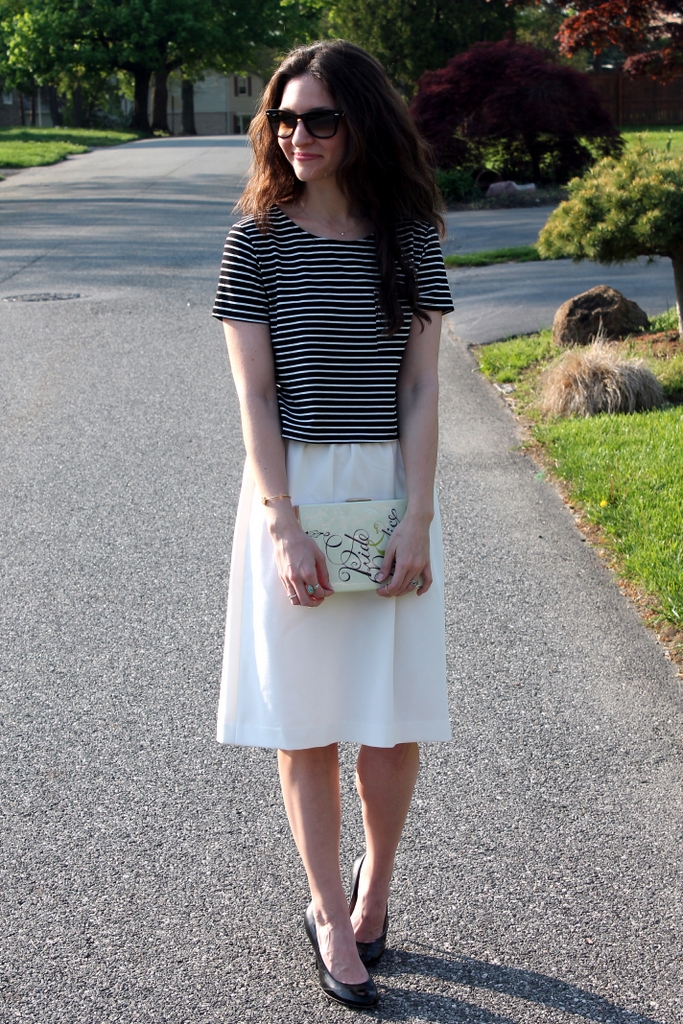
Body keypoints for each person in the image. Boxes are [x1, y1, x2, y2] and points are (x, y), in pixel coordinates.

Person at [212, 39, 454, 1010]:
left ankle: (373, 888)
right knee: (305, 721)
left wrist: (418, 518)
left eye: (317, 116)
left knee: (389, 723)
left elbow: (424, 385)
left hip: (390, 491)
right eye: (282, 117)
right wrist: (284, 529)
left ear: (360, 122)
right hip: (294, 496)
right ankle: (324, 909)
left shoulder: (410, 235)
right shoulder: (255, 243)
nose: (296, 134)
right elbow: (255, 396)